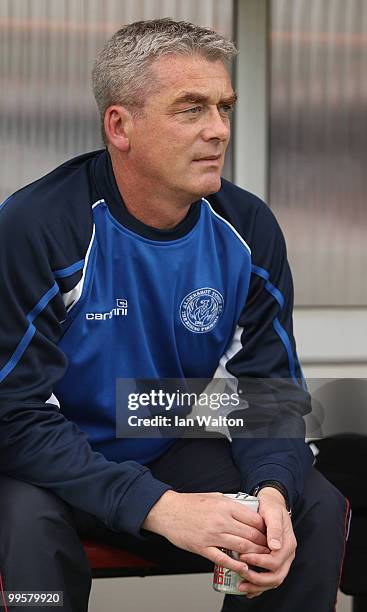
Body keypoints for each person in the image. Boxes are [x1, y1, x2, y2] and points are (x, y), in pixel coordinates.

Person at [0, 18, 349, 612]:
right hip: (42, 465)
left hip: (153, 443)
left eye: (224, 108)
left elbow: (269, 392)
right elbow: (13, 417)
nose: (218, 130)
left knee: (307, 505)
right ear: (121, 126)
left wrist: (270, 486)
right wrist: (160, 508)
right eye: (190, 109)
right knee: (30, 534)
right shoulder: (38, 227)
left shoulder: (247, 229)